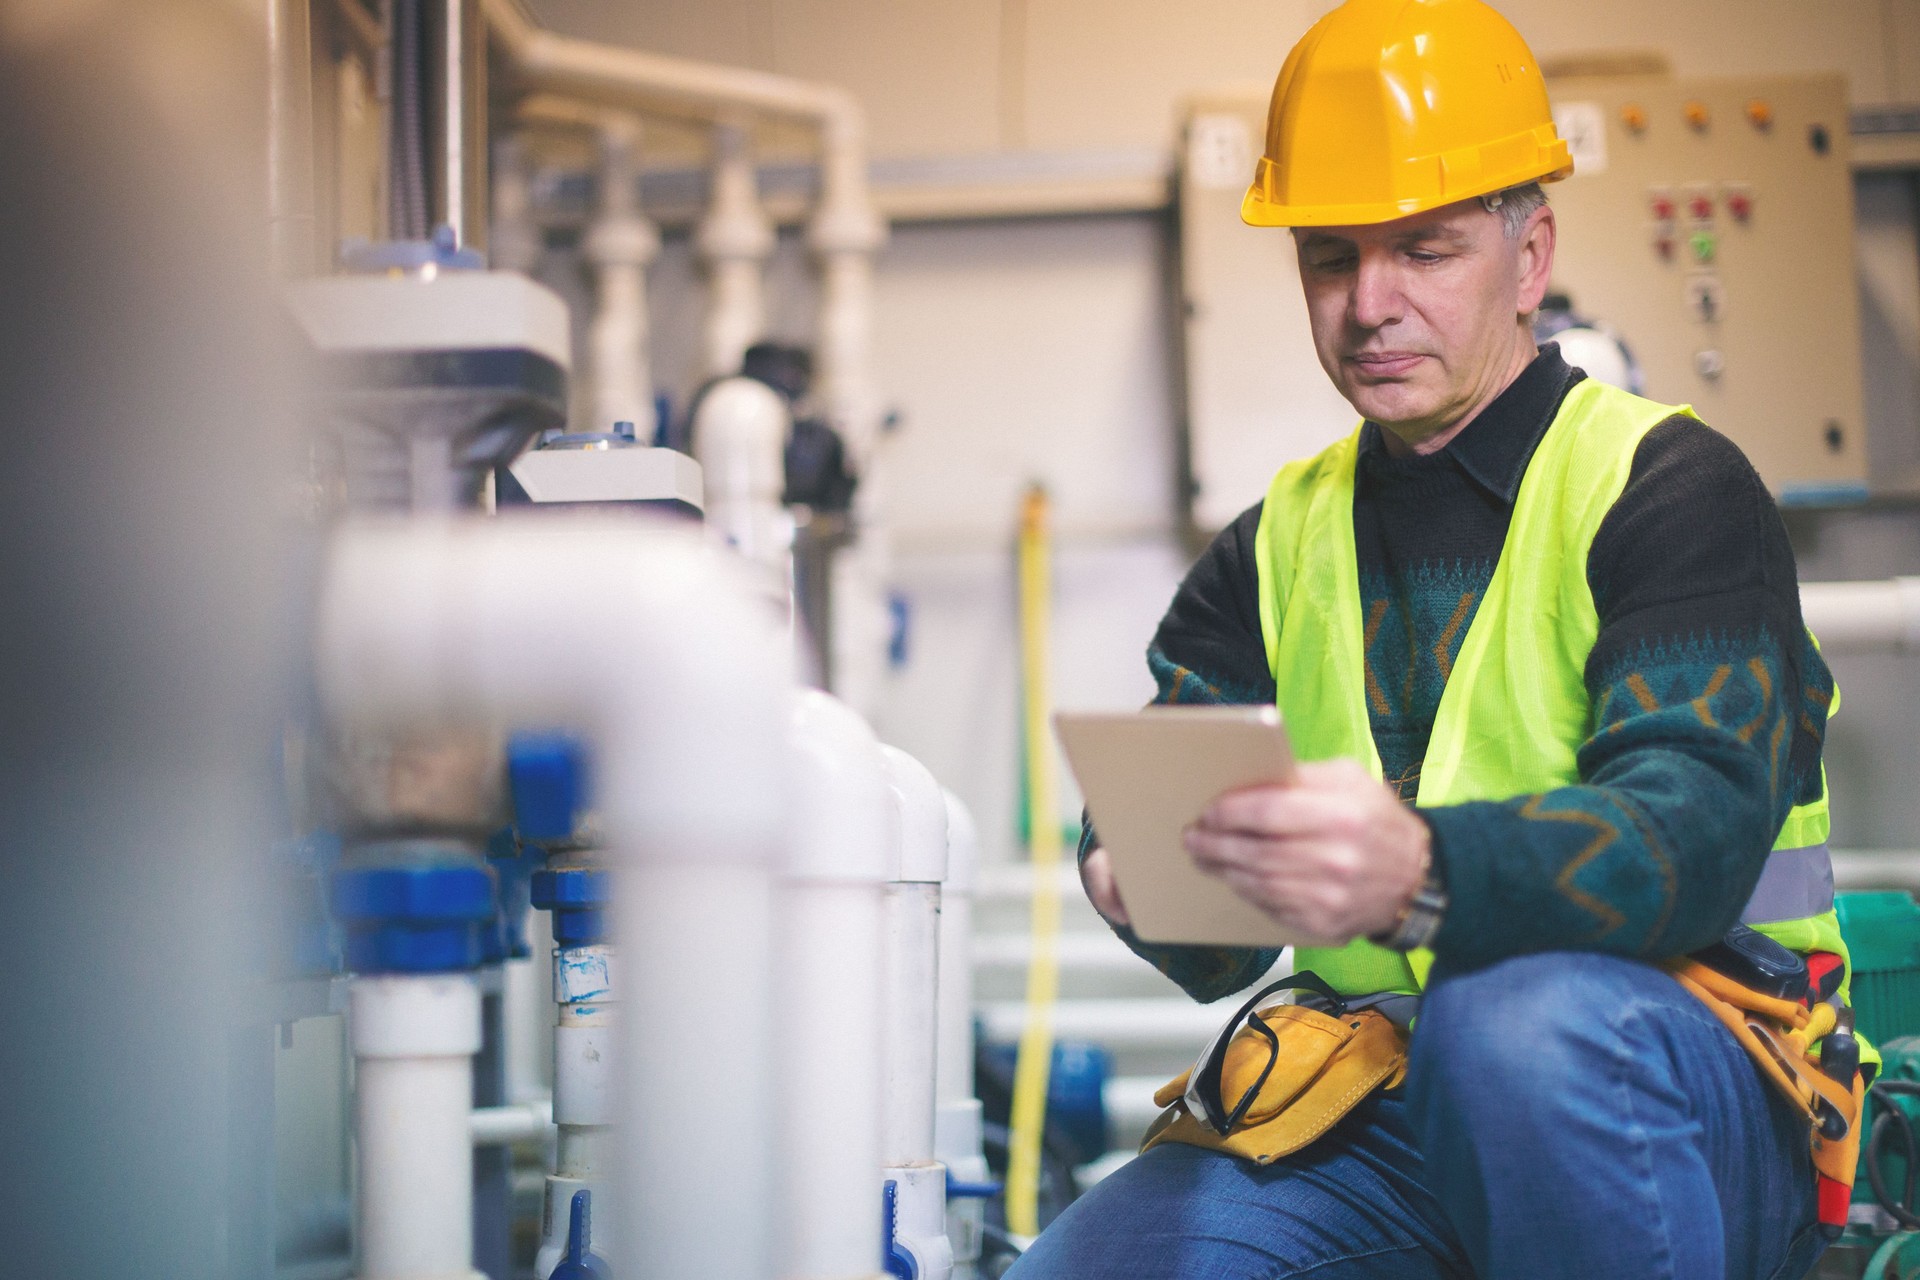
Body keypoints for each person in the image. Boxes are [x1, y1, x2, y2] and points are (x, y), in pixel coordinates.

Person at [1009, 1, 1854, 1276]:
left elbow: (1688, 833)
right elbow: (1216, 946)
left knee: (1509, 1020)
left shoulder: (1671, 490)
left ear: (1529, 255)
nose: (1368, 305)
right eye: (1331, 257)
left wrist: (1415, 870)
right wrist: (1138, 877)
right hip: (1372, 1106)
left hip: (1674, 1076)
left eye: (1425, 248)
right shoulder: (1270, 547)